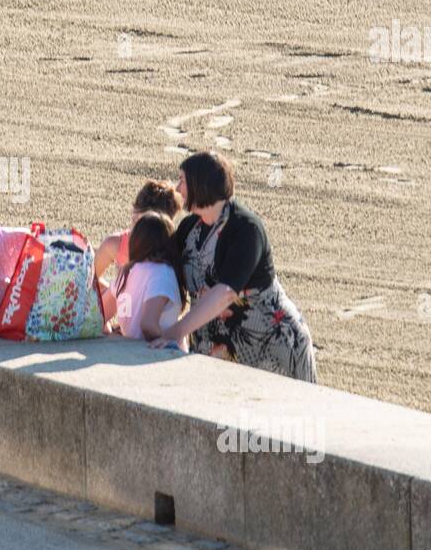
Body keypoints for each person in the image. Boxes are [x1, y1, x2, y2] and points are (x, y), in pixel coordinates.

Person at [150, 151, 316, 382]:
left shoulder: (246, 228)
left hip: (272, 348)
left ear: (201, 183)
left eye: (183, 181)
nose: (178, 189)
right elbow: (162, 268)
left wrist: (176, 331)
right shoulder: (189, 229)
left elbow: (225, 294)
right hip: (219, 351)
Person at [101, 211, 187, 351]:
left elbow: (100, 315)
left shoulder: (126, 271)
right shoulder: (162, 273)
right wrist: (170, 343)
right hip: (154, 356)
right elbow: (148, 325)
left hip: (125, 350)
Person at [94, 179, 181, 281]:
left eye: (146, 225)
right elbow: (89, 282)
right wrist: (115, 292)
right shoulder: (115, 244)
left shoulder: (175, 250)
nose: (138, 230)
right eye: (135, 221)